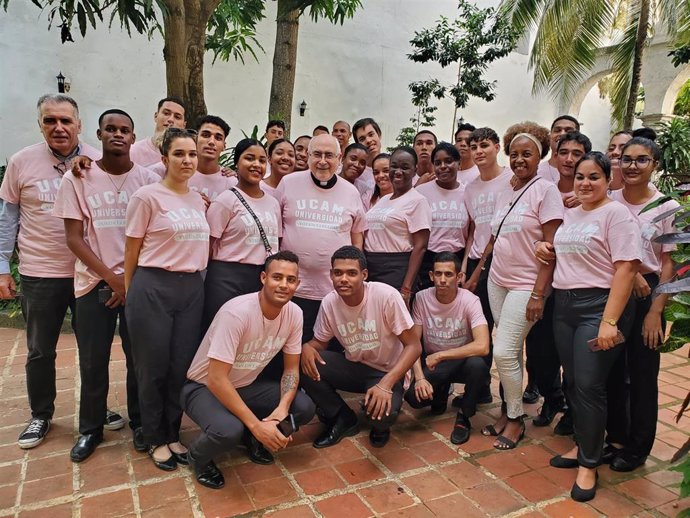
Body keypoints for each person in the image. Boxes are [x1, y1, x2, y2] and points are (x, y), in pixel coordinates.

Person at [0, 94, 110, 450]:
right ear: (40, 125)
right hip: (40, 272)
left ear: (79, 124)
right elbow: (8, 219)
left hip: (90, 274)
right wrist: (3, 266)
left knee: (94, 349)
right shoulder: (21, 162)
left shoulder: (98, 161)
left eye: (66, 121)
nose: (58, 127)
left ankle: (96, 409)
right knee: (40, 350)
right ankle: (41, 414)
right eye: (50, 121)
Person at [53, 109, 160, 461]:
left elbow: (157, 232)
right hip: (94, 284)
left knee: (139, 359)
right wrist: (113, 279)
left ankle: (142, 423)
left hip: (138, 285)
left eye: (124, 130)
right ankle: (90, 429)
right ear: (98, 134)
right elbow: (74, 238)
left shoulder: (147, 179)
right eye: (110, 129)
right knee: (93, 360)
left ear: (133, 136)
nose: (117, 134)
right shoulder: (78, 179)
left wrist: (129, 281)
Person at [537, 152, 639, 502]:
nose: (585, 183)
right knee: (573, 381)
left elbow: (626, 269)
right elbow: (566, 251)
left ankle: (590, 462)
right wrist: (545, 248)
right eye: (580, 176)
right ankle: (584, 444)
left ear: (608, 179)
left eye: (594, 177)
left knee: (589, 384)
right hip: (565, 306)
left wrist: (610, 321)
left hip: (599, 306)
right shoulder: (571, 213)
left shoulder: (616, 215)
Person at [183, 251, 315, 489]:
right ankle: (197, 457)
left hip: (245, 386)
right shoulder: (237, 313)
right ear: (263, 278)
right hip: (203, 387)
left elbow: (291, 370)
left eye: (290, 279)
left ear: (298, 283)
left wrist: (282, 410)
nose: (284, 284)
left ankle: (255, 436)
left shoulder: (295, 313)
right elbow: (216, 379)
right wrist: (256, 425)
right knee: (228, 430)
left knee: (303, 407)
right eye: (277, 277)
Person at [472, 122, 563, 451]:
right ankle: (507, 411)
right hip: (499, 280)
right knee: (512, 352)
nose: (520, 159)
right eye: (515, 154)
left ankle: (514, 419)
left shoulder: (545, 190)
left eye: (528, 154)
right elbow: (496, 237)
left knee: (505, 351)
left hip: (527, 283)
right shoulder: (506, 189)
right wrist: (480, 273)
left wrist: (539, 292)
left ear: (540, 157)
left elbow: (552, 248)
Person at [124, 128, 210, 471]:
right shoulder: (147, 197)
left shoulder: (196, 198)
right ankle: (155, 436)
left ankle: (173, 432)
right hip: (152, 285)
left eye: (192, 154)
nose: (187, 160)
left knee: (180, 367)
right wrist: (132, 294)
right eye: (179, 154)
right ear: (165, 159)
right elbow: (131, 249)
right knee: (152, 366)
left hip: (191, 288)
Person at [300, 246, 422, 448]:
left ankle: (381, 426)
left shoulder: (386, 296)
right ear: (331, 275)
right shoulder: (330, 302)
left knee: (380, 417)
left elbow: (414, 346)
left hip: (388, 372)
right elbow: (320, 343)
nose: (343, 279)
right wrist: (307, 347)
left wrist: (386, 384)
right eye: (338, 273)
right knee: (304, 362)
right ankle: (342, 417)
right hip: (355, 368)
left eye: (351, 273)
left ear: (364, 275)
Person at [607, 137, 676, 472]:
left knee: (643, 374)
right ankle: (616, 438)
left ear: (655, 165)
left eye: (642, 160)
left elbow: (670, 264)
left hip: (649, 291)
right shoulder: (609, 199)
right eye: (626, 159)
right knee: (613, 370)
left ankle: (638, 447)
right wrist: (627, 272)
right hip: (614, 287)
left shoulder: (666, 208)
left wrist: (655, 311)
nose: (632, 165)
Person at [527, 130, 592, 432]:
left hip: (579, 288)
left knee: (575, 360)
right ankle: (552, 397)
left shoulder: (592, 195)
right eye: (563, 152)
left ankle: (571, 411)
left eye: (576, 154)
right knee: (542, 352)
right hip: (543, 283)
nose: (568, 159)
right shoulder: (544, 189)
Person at [277, 134, 366, 342]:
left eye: (329, 155)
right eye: (317, 154)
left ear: (339, 157)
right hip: (292, 287)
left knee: (326, 348)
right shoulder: (288, 183)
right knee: (289, 344)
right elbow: (275, 226)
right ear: (307, 156)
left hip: (334, 290)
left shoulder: (351, 192)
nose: (323, 161)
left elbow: (357, 234)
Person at [405, 252, 490, 445]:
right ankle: (440, 393)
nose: (442, 280)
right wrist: (419, 378)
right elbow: (413, 343)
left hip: (461, 361)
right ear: (431, 276)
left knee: (478, 366)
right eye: (438, 274)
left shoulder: (470, 300)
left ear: (459, 277)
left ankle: (464, 417)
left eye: (449, 274)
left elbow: (483, 345)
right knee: (413, 398)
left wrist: (442, 355)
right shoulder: (421, 298)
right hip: (435, 364)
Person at [456, 128, 513, 407]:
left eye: (484, 145)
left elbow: (497, 233)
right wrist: (466, 267)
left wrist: (479, 269)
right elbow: (473, 233)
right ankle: (479, 390)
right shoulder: (471, 188)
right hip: (476, 261)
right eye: (474, 146)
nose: (478, 151)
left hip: (499, 263)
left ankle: (509, 398)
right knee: (480, 328)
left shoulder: (510, 182)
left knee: (505, 334)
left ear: (497, 147)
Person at [203, 139, 281, 331]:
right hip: (226, 279)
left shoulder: (273, 203)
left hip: (261, 278)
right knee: (222, 333)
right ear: (236, 163)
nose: (256, 165)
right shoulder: (226, 200)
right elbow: (208, 245)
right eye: (249, 158)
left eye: (262, 160)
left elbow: (276, 242)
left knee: (252, 335)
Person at [363, 146, 431, 303]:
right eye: (394, 166)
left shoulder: (417, 201)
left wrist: (406, 288)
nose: (398, 171)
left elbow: (420, 247)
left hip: (396, 271)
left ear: (415, 171)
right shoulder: (384, 199)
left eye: (405, 167)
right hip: (372, 268)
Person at [416, 143, 469, 290]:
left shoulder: (468, 192)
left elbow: (471, 234)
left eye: (448, 161)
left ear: (459, 163)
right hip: (427, 259)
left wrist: (463, 268)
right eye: (438, 163)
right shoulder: (421, 192)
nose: (443, 166)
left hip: (458, 258)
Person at [130, 97, 186, 167]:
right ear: (156, 116)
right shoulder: (133, 151)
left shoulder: (188, 157)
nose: (171, 119)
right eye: (166, 113)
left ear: (184, 125)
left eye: (177, 117)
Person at [537, 115, 580, 183]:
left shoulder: (583, 175)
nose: (562, 134)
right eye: (557, 130)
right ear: (550, 136)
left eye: (569, 131)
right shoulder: (535, 172)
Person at [352, 117, 382, 191]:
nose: (368, 140)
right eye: (362, 139)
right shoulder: (356, 173)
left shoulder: (393, 166)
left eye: (371, 135)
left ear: (379, 135)